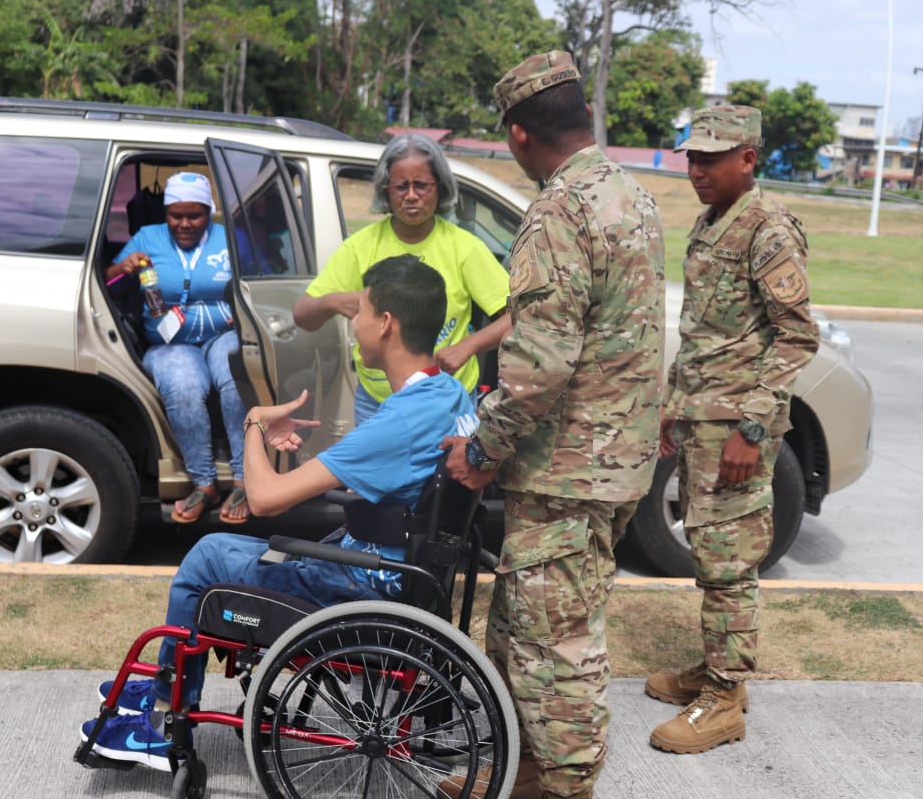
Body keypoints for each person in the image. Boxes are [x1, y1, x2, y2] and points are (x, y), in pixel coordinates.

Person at [80, 254, 479, 771]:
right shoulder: (449, 392)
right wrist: (299, 460)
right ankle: (165, 687)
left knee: (207, 554)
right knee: (243, 550)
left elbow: (264, 500)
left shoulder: (399, 422)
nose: (353, 323)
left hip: (362, 586)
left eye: (360, 311)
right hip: (401, 573)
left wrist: (253, 426)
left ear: (386, 324)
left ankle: (160, 718)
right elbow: (379, 473)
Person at [441, 51, 665, 799]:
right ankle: (522, 771)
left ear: (517, 135)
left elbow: (538, 364)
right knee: (517, 624)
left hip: (569, 468)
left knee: (556, 646)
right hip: (611, 462)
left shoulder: (560, 209)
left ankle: (565, 786)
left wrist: (481, 447)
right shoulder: (631, 195)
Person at [645, 105, 820, 755]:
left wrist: (753, 425)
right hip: (701, 422)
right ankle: (717, 671)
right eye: (692, 157)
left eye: (711, 158)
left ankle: (724, 701)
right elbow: (705, 336)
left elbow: (797, 334)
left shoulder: (768, 227)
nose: (696, 169)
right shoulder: (712, 221)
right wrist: (673, 406)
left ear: (748, 159)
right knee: (710, 555)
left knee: (729, 565)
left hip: (737, 433)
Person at [292, 133, 512, 424]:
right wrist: (332, 302)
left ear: (440, 188)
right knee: (376, 471)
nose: (410, 195)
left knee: (448, 471)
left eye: (421, 185)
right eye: (400, 187)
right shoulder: (361, 247)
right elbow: (302, 316)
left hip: (447, 400)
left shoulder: (464, 247)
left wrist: (466, 347)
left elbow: (517, 316)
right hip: (378, 404)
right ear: (386, 190)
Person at [107, 171, 250, 524]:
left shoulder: (230, 239)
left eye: (195, 215)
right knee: (183, 387)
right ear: (165, 213)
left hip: (222, 335)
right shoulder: (147, 237)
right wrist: (124, 268)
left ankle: (245, 478)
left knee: (237, 377)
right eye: (176, 215)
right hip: (169, 343)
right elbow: (107, 279)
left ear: (209, 212)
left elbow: (261, 283)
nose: (184, 224)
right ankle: (205, 483)